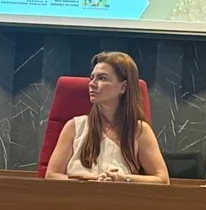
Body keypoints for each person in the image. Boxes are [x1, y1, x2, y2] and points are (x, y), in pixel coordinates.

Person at [45, 51, 169, 184]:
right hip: (75, 195)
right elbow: (51, 175)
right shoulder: (74, 127)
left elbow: (162, 179)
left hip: (119, 196)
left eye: (102, 78)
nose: (92, 84)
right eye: (92, 77)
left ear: (123, 87)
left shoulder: (139, 131)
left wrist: (124, 179)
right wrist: (87, 183)